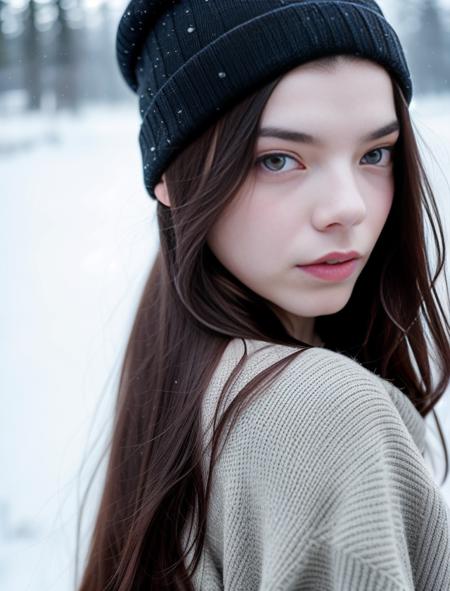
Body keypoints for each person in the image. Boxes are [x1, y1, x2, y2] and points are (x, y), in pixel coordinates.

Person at [77, 1, 450, 589]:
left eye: (374, 154)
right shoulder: (326, 417)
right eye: (279, 159)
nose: (347, 207)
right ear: (172, 178)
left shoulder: (183, 367)